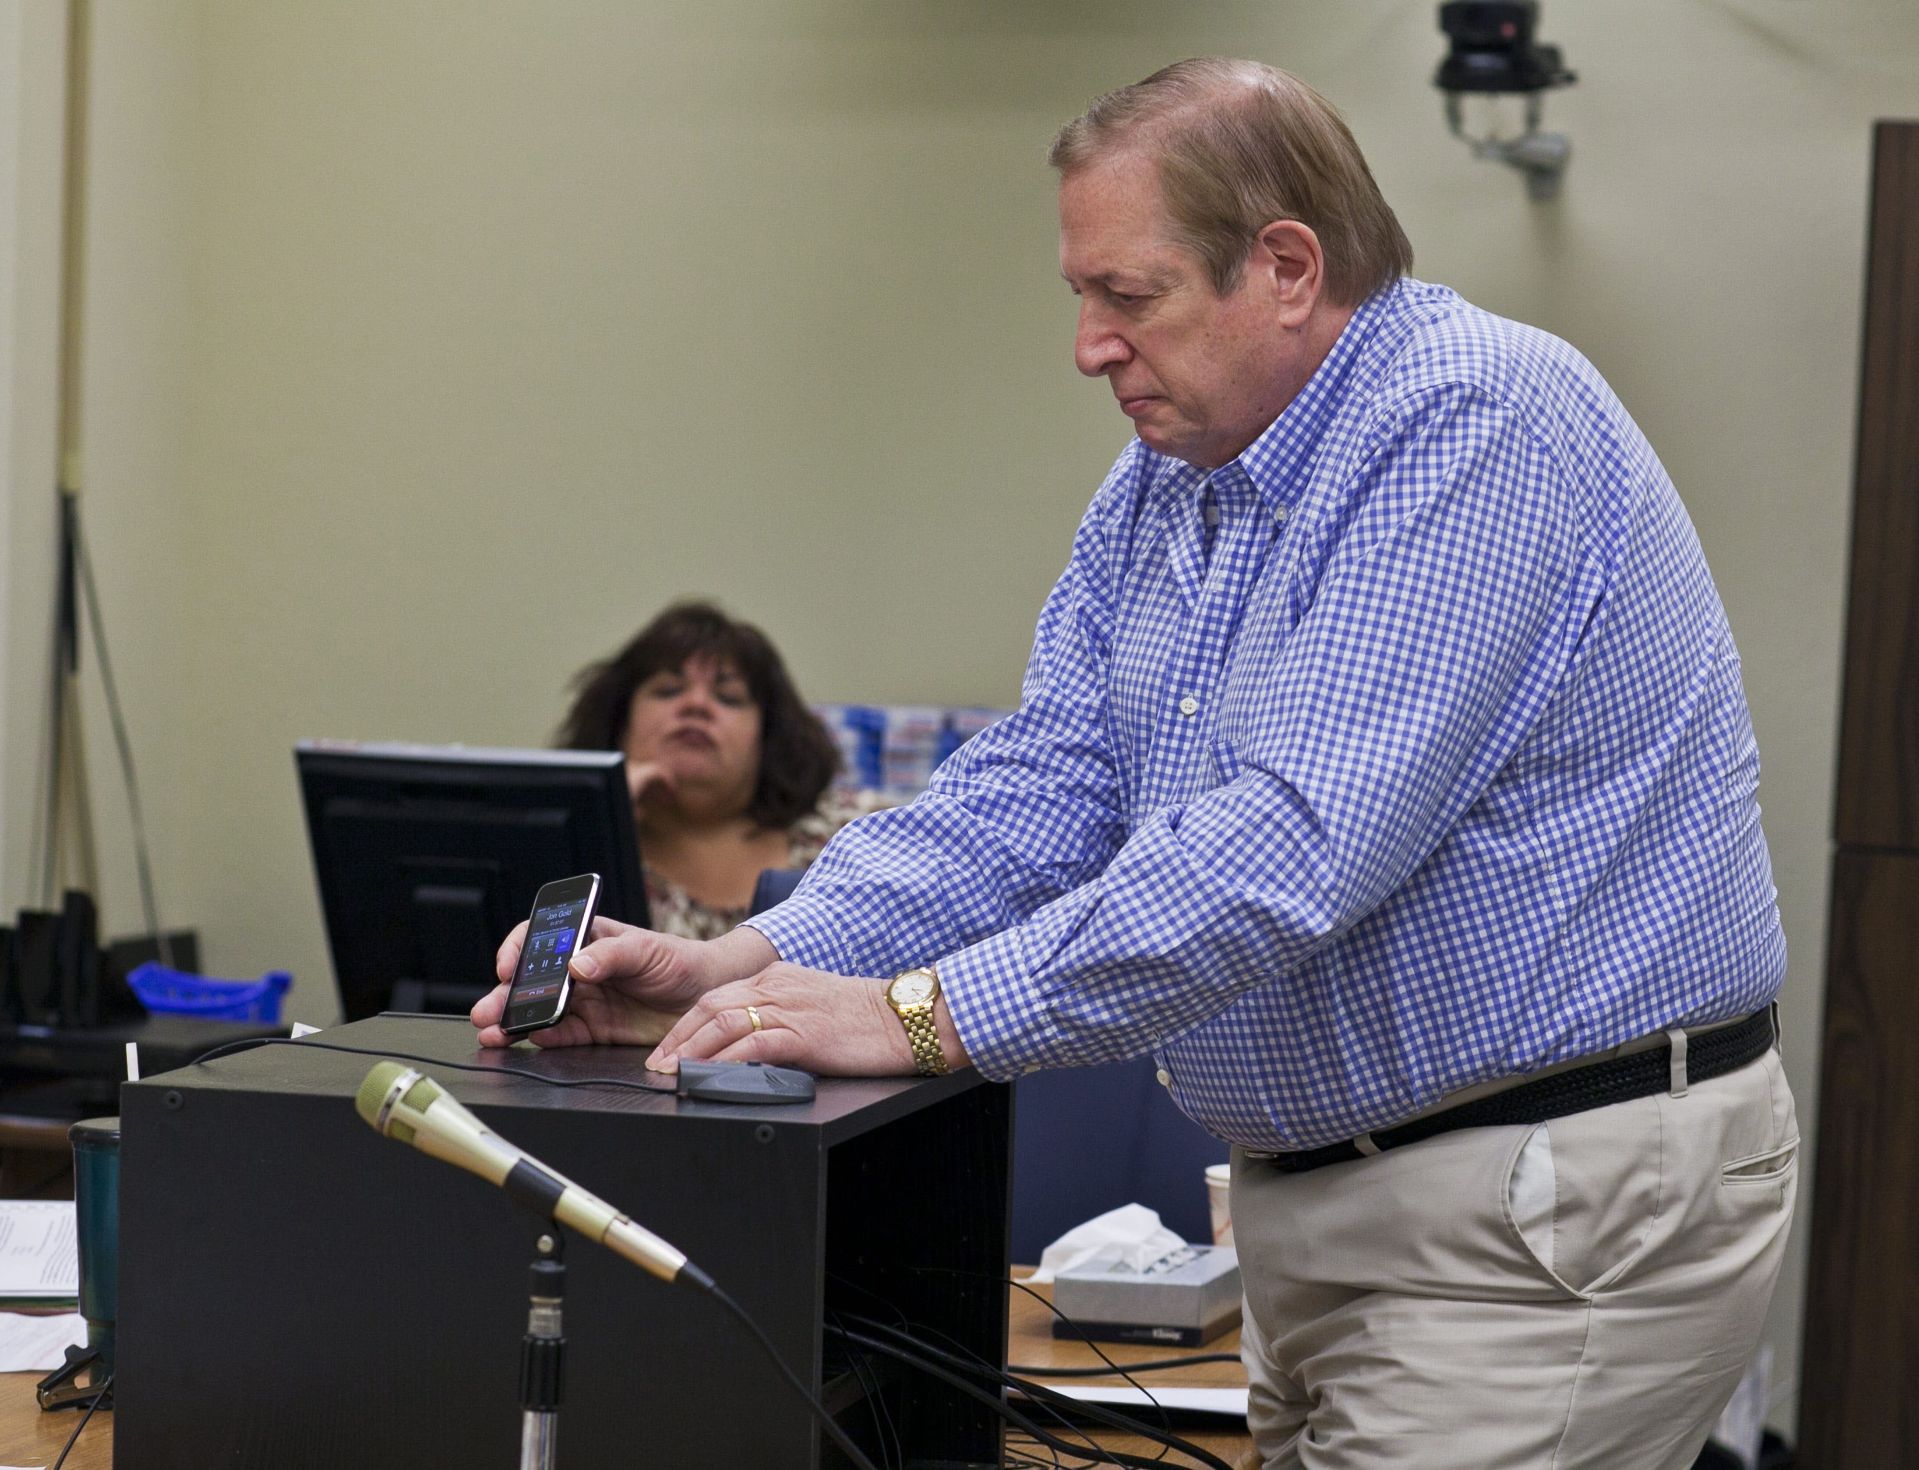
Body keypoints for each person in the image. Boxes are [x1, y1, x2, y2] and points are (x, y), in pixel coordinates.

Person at [473, 59, 1796, 1470]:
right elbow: (1042, 786)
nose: (1091, 345)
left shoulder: (1473, 422)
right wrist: (752, 963)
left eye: (1128, 294)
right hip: (1337, 1205)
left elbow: (1284, 852)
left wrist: (917, 1016)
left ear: (1286, 266)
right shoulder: (1173, 478)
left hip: (1534, 1205)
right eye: (1081, 298)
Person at [556, 599, 866, 939]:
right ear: (617, 723)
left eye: (728, 697)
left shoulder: (858, 831)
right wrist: (600, 817)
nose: (696, 705)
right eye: (668, 690)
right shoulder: (561, 843)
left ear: (767, 737)